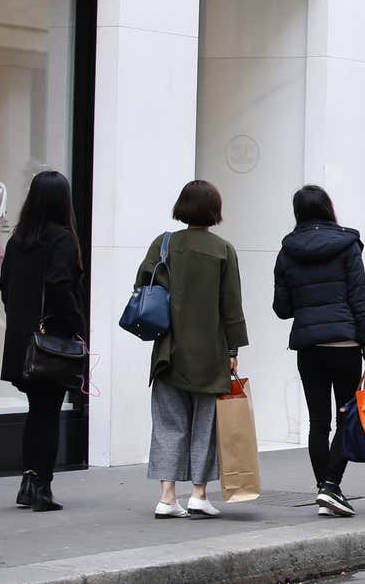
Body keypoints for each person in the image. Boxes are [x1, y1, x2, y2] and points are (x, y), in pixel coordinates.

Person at [139, 180, 248, 519]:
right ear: (215, 210)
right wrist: (233, 350)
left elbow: (143, 285)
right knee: (205, 425)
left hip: (169, 352)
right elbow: (231, 306)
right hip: (210, 353)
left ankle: (167, 496)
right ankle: (199, 493)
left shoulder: (164, 244)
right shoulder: (223, 250)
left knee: (169, 424)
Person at [273, 185, 365, 518]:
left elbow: (281, 308)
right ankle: (332, 487)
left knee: (318, 423)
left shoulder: (287, 251)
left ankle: (325, 490)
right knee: (347, 418)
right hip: (345, 345)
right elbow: (360, 300)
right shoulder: (347, 246)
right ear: (328, 208)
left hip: (308, 347)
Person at [0, 170, 87, 512]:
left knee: (36, 411)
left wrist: (21, 322)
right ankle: (42, 488)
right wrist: (76, 328)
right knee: (48, 413)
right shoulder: (62, 239)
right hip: (52, 342)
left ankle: (28, 481)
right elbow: (61, 286)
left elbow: (5, 287)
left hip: (23, 342)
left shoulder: (19, 239)